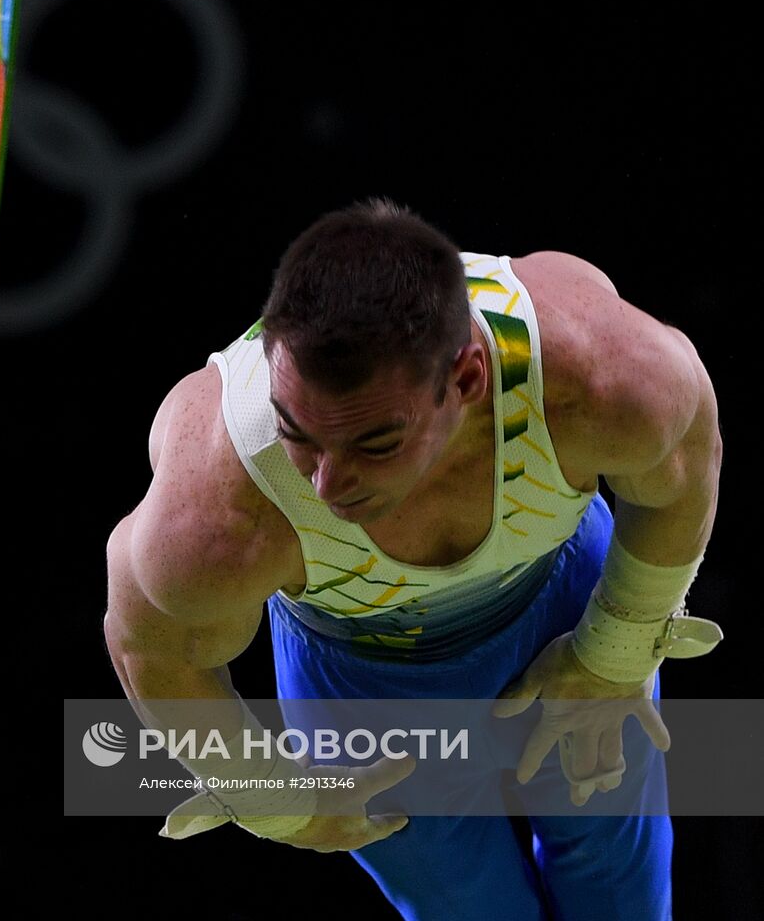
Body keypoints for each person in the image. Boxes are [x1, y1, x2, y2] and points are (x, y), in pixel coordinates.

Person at [103, 198, 723, 920]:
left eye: (374, 443)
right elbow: (146, 642)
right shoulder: (218, 499)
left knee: (621, 893)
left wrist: (617, 649)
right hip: (362, 688)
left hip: (565, 601)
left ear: (466, 380)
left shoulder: (594, 378)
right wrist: (268, 796)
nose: (326, 485)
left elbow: (691, 456)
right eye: (298, 433)